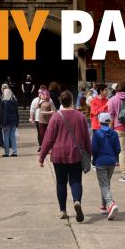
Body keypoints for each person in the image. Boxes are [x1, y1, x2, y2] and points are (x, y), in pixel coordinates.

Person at [39, 90, 91, 221]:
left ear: (60, 102)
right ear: (72, 101)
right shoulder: (80, 116)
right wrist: (89, 155)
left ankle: (62, 210)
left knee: (61, 182)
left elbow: (48, 139)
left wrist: (42, 156)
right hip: (76, 154)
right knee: (76, 181)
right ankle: (77, 200)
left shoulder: (56, 117)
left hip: (59, 154)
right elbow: (86, 138)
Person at [91, 112, 120, 219]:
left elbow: (94, 149)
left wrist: (94, 160)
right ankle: (103, 206)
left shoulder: (97, 133)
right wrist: (115, 158)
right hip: (111, 162)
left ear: (100, 121)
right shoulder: (115, 133)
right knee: (106, 183)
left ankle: (111, 204)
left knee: (103, 184)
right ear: (109, 122)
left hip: (100, 162)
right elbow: (118, 149)